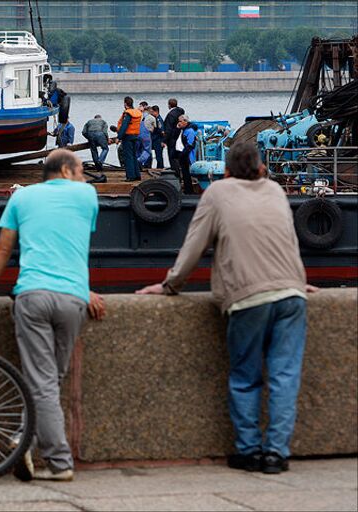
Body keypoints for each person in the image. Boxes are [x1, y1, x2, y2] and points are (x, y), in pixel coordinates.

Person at [136, 142, 318, 475]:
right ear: (261, 168)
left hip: (248, 296)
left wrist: (169, 285)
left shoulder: (217, 193)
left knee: (246, 377)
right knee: (284, 377)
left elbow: (194, 246)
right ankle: (277, 454)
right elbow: (289, 241)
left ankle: (248, 451)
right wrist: (296, 280)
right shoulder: (277, 191)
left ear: (226, 170)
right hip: (292, 292)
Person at [0, 149, 106, 482]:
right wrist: (84, 288)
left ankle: (32, 444)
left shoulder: (22, 199)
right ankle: (55, 459)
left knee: (43, 382)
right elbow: (71, 246)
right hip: (73, 298)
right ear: (65, 170)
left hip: (33, 296)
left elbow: (1, 250)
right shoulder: (88, 196)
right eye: (79, 170)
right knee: (51, 381)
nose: (83, 176)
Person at [116, 96, 143, 181]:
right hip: (136, 136)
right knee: (134, 156)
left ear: (125, 104)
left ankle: (130, 176)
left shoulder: (128, 113)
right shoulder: (137, 112)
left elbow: (124, 126)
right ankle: (137, 175)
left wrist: (119, 137)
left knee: (128, 157)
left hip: (127, 137)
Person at [176, 114, 197, 194]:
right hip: (183, 154)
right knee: (184, 174)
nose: (179, 123)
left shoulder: (190, 131)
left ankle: (189, 190)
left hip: (187, 155)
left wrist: (183, 154)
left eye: (180, 121)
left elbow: (190, 144)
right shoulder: (183, 129)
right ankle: (187, 189)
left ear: (185, 121)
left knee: (187, 174)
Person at [163, 98, 185, 170]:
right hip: (180, 135)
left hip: (172, 137)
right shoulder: (181, 111)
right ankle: (179, 168)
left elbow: (168, 129)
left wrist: (164, 140)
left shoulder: (171, 114)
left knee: (171, 154)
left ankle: (174, 170)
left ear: (169, 105)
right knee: (178, 154)